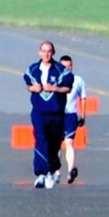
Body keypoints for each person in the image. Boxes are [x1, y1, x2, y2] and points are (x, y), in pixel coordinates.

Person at [24, 41, 75, 189]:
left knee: (54, 143)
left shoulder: (60, 70)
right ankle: (41, 173)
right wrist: (33, 88)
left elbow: (68, 88)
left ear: (53, 53)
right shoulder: (33, 69)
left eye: (49, 51)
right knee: (41, 138)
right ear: (39, 52)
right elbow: (28, 85)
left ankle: (52, 170)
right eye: (44, 51)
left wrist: (54, 88)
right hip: (39, 111)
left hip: (56, 112)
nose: (46, 54)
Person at [60, 55, 87, 184]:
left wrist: (83, 115)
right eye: (64, 66)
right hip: (56, 114)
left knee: (69, 142)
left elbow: (83, 98)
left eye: (69, 66)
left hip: (70, 115)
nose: (67, 68)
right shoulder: (56, 79)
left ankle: (70, 170)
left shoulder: (78, 80)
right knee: (56, 145)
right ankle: (56, 171)